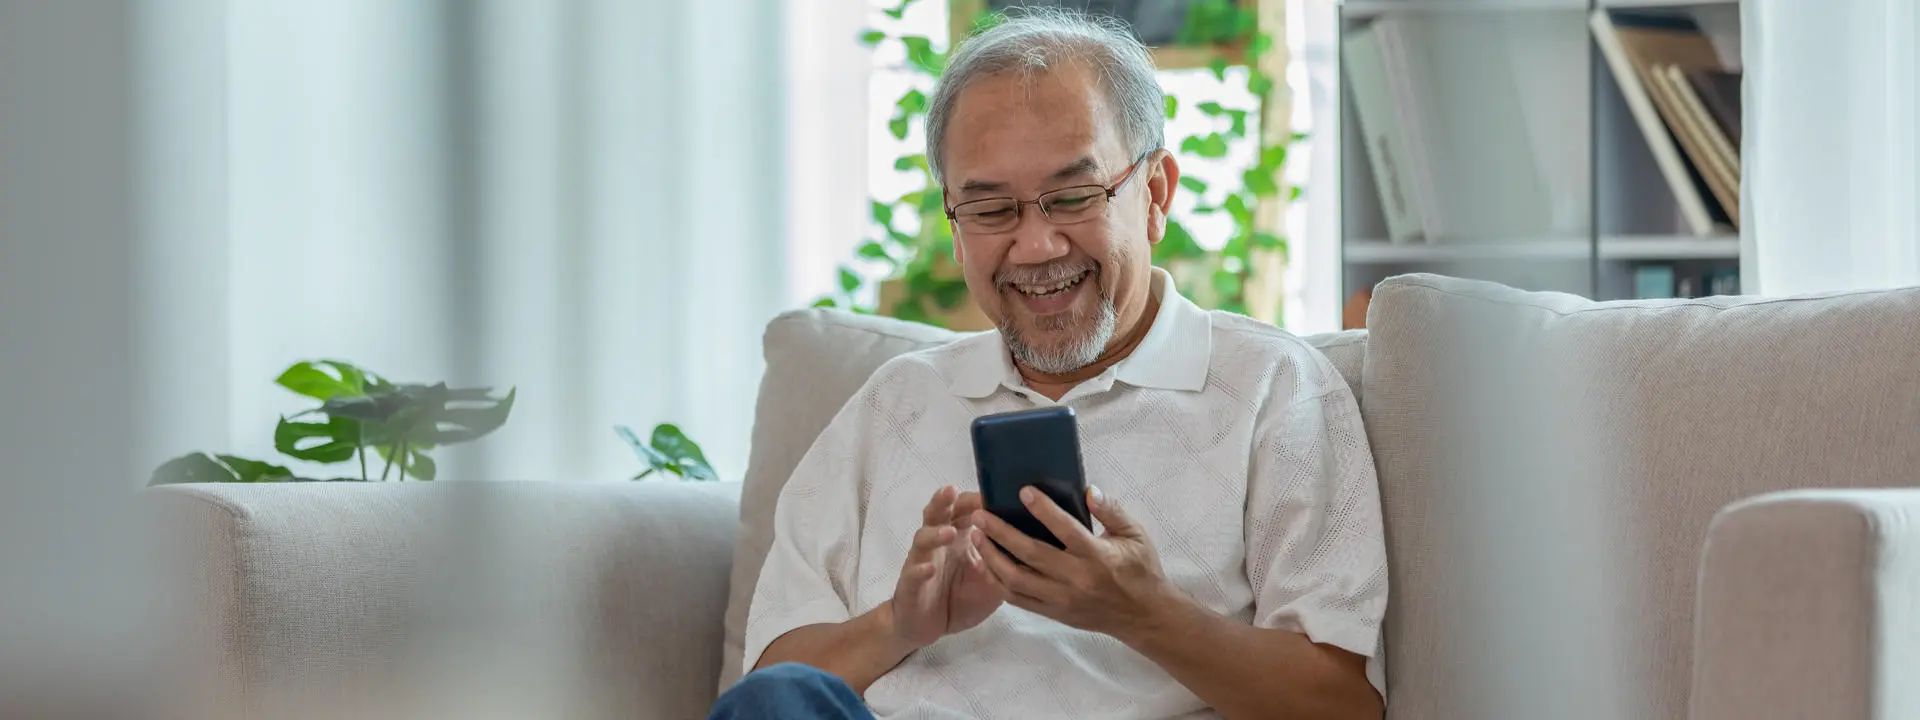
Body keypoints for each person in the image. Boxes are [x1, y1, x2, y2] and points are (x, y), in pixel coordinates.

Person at [714, 9, 1386, 720]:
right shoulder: (894, 402)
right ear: (955, 224)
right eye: (990, 209)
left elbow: (1345, 706)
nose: (1036, 247)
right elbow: (767, 691)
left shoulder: (1275, 388)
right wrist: (899, 625)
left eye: (1071, 198)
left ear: (1155, 195)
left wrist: (1146, 614)